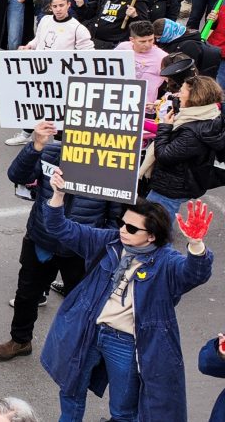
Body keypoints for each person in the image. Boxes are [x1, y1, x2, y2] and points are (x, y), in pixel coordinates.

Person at [44, 168, 214, 422]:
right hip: (90, 330)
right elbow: (60, 229)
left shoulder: (167, 262)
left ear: (152, 236)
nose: (123, 230)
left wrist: (196, 244)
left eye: (132, 229)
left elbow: (194, 273)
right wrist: (58, 195)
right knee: (70, 392)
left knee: (123, 411)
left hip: (125, 342)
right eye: (122, 223)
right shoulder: (110, 242)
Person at [0, 121, 119, 362]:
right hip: (41, 240)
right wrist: (35, 146)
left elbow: (115, 212)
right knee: (26, 295)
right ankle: (20, 341)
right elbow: (16, 175)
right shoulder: (50, 153)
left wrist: (106, 246)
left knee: (81, 302)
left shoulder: (109, 164)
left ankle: (77, 349)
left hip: (81, 248)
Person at [139, 74, 225, 222]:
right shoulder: (206, 116)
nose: (178, 94)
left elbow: (164, 155)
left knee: (156, 226)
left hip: (171, 187)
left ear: (194, 97)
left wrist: (165, 127)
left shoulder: (192, 132)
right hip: (180, 182)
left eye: (182, 91)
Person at [115, 19, 168, 103]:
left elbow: (173, 83)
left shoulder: (162, 57)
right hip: (118, 100)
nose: (147, 44)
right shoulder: (122, 48)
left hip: (144, 105)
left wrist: (161, 102)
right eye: (142, 41)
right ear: (132, 40)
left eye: (151, 40)